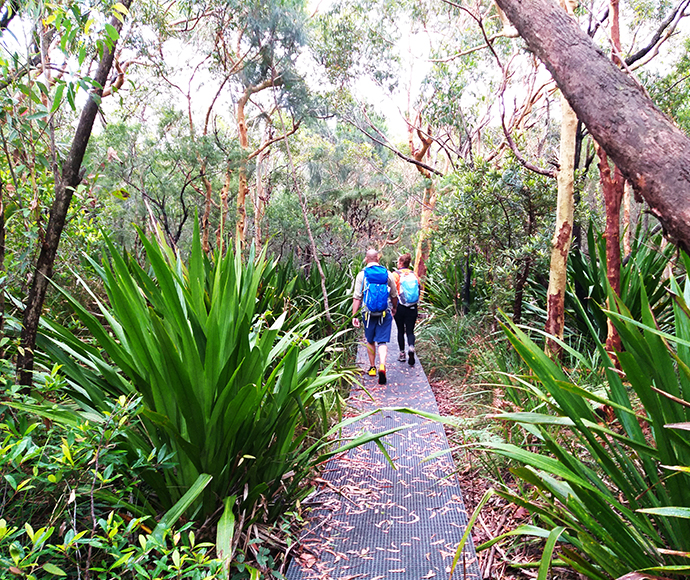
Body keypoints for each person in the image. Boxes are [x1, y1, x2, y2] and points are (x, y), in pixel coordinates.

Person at [352, 248, 398, 385]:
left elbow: (357, 297)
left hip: (368, 313)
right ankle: (382, 365)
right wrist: (394, 307)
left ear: (366, 259)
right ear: (378, 259)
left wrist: (354, 315)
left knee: (370, 340)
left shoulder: (362, 275)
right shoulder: (387, 274)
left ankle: (372, 368)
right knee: (382, 341)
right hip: (384, 312)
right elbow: (394, 295)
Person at [392, 253, 420, 366]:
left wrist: (392, 306)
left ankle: (402, 354)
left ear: (401, 263)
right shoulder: (414, 274)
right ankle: (411, 347)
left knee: (400, 330)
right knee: (410, 330)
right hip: (412, 307)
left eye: (398, 262)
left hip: (400, 306)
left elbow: (392, 291)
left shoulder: (396, 275)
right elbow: (419, 288)